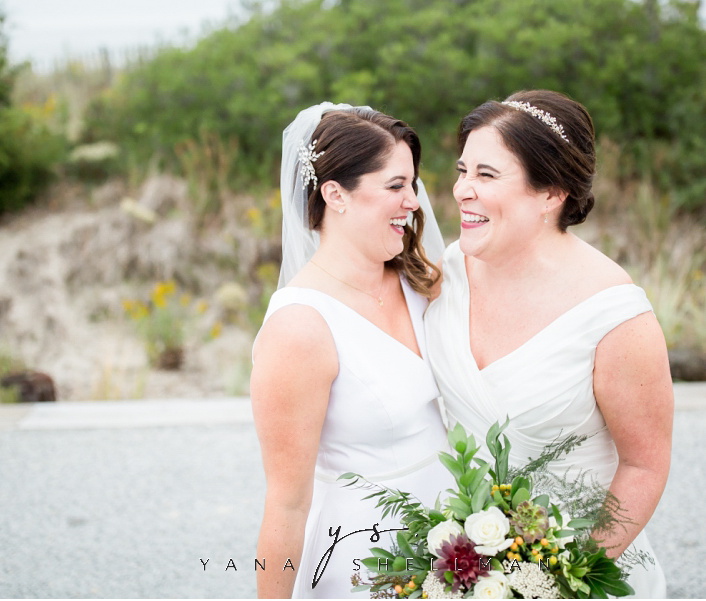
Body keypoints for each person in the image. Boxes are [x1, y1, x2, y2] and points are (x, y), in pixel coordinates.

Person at [425, 90, 672, 597]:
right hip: (461, 569)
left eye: (486, 175)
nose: (461, 190)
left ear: (551, 193)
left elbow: (645, 465)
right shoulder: (441, 274)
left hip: (578, 572)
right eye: (462, 170)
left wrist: (558, 578)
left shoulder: (615, 314)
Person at [250, 102, 452, 598]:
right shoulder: (300, 327)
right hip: (365, 560)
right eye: (395, 186)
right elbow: (287, 502)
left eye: (413, 183)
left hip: (457, 536)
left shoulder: (421, 283)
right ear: (335, 194)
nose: (415, 202)